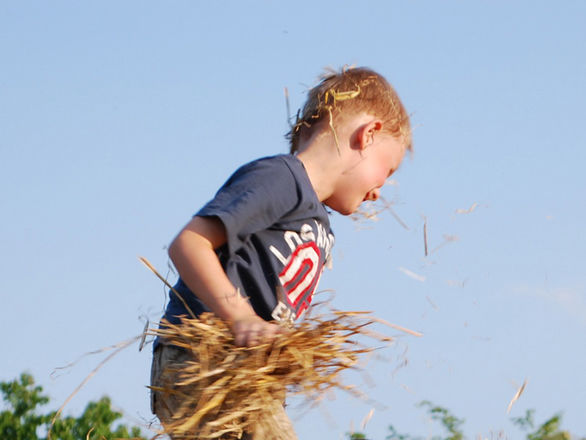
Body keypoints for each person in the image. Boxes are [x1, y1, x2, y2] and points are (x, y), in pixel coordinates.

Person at [151, 66, 412, 439]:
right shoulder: (282, 179)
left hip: (247, 377)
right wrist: (239, 316)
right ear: (368, 135)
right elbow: (189, 243)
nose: (378, 191)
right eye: (388, 170)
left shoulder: (314, 217)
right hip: (204, 361)